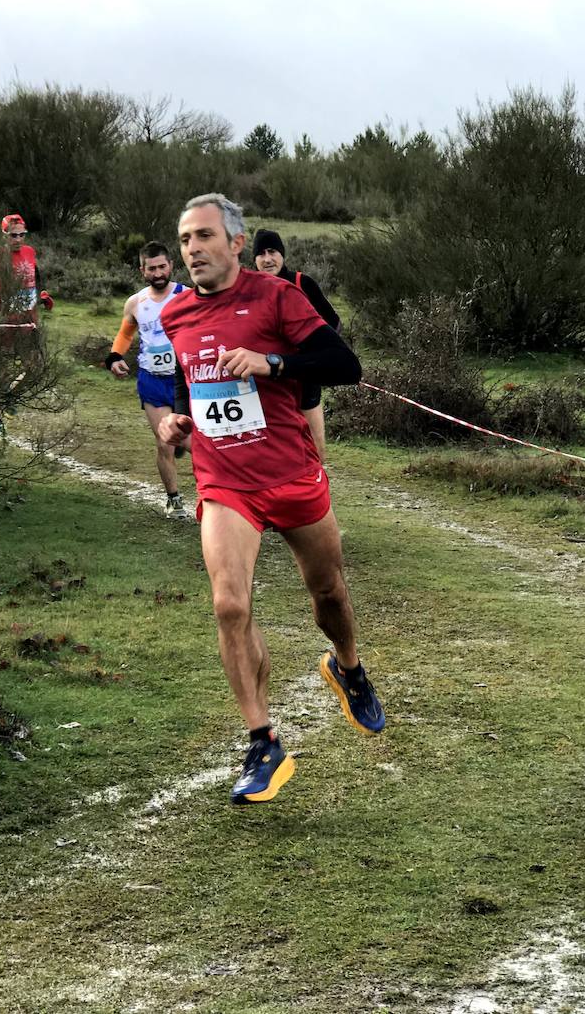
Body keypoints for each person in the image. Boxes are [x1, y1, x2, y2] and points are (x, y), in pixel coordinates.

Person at [156, 193, 384, 805]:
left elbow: (344, 364)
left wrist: (271, 361)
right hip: (225, 481)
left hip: (290, 472)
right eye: (184, 240)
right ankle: (262, 742)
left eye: (204, 236)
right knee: (230, 605)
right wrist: (177, 420)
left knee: (328, 593)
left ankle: (348, 667)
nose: (192, 249)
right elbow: (187, 375)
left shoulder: (278, 296)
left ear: (235, 243)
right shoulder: (175, 314)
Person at [105, 242, 190, 517]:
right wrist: (115, 356)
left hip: (185, 381)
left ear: (171, 266)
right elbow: (126, 334)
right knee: (163, 441)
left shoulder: (187, 296)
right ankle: (174, 500)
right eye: (151, 268)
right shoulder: (135, 302)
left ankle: (215, 499)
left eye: (162, 267)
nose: (157, 273)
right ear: (143, 271)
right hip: (151, 380)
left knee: (195, 444)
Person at [252, 228, 341, 461]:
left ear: (282, 254)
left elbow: (332, 321)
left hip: (304, 378)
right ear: (254, 259)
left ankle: (317, 491)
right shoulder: (249, 289)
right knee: (270, 453)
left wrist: (313, 352)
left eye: (272, 252)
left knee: (316, 450)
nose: (267, 259)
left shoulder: (302, 283)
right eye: (261, 254)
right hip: (266, 383)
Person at [0, 214, 53, 431]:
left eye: (22, 234)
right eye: (13, 235)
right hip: (4, 320)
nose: (18, 239)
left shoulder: (30, 252)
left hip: (28, 320)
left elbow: (34, 281)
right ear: (4, 235)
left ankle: (10, 395)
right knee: (1, 370)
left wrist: (42, 296)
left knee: (35, 367)